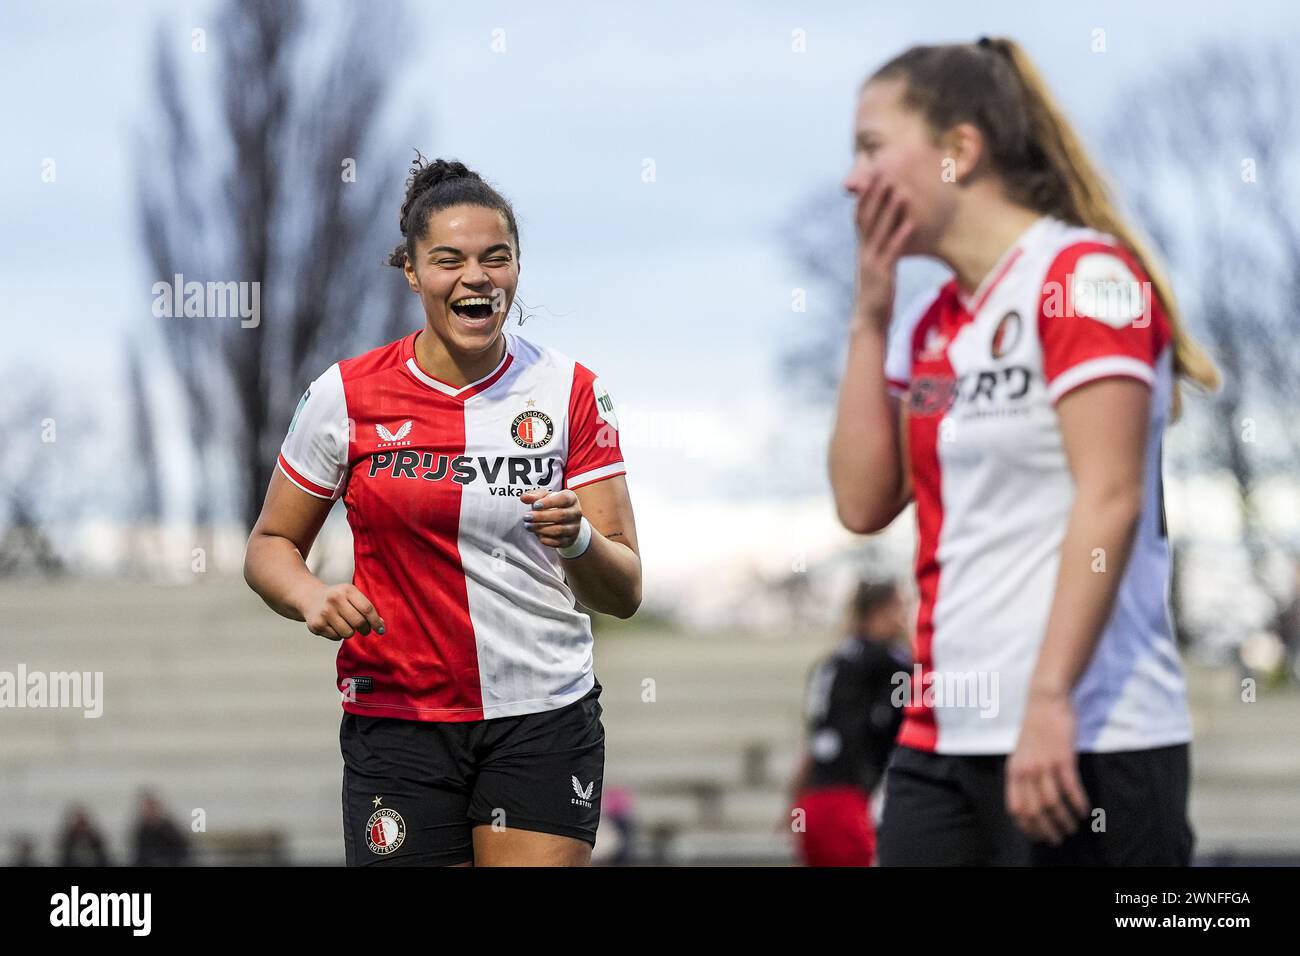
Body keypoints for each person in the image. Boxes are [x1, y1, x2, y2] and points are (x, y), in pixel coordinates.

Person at [827, 37, 1220, 866]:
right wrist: (868, 317)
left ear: (958, 151)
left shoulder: (1087, 277)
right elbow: (863, 503)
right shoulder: (933, 317)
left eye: (870, 149)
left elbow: (1111, 498)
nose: (851, 179)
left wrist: (1047, 700)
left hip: (1087, 733)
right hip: (941, 739)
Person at [244, 156, 641, 867]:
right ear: (412, 272)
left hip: (541, 715)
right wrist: (311, 595)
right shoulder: (345, 394)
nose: (476, 277)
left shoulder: (571, 391)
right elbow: (271, 542)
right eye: (449, 260)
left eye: (497, 258)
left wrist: (579, 539)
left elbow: (626, 588)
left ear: (517, 268)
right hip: (397, 720)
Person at [787, 580, 909, 866]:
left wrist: (791, 800)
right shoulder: (888, 661)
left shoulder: (829, 663)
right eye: (900, 608)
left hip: (812, 803)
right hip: (851, 804)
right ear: (881, 611)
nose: (904, 618)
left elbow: (814, 737)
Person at [130, 789, 190, 867]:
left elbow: (181, 853)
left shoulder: (170, 829)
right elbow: (139, 855)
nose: (145, 811)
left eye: (149, 808)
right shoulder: (141, 830)